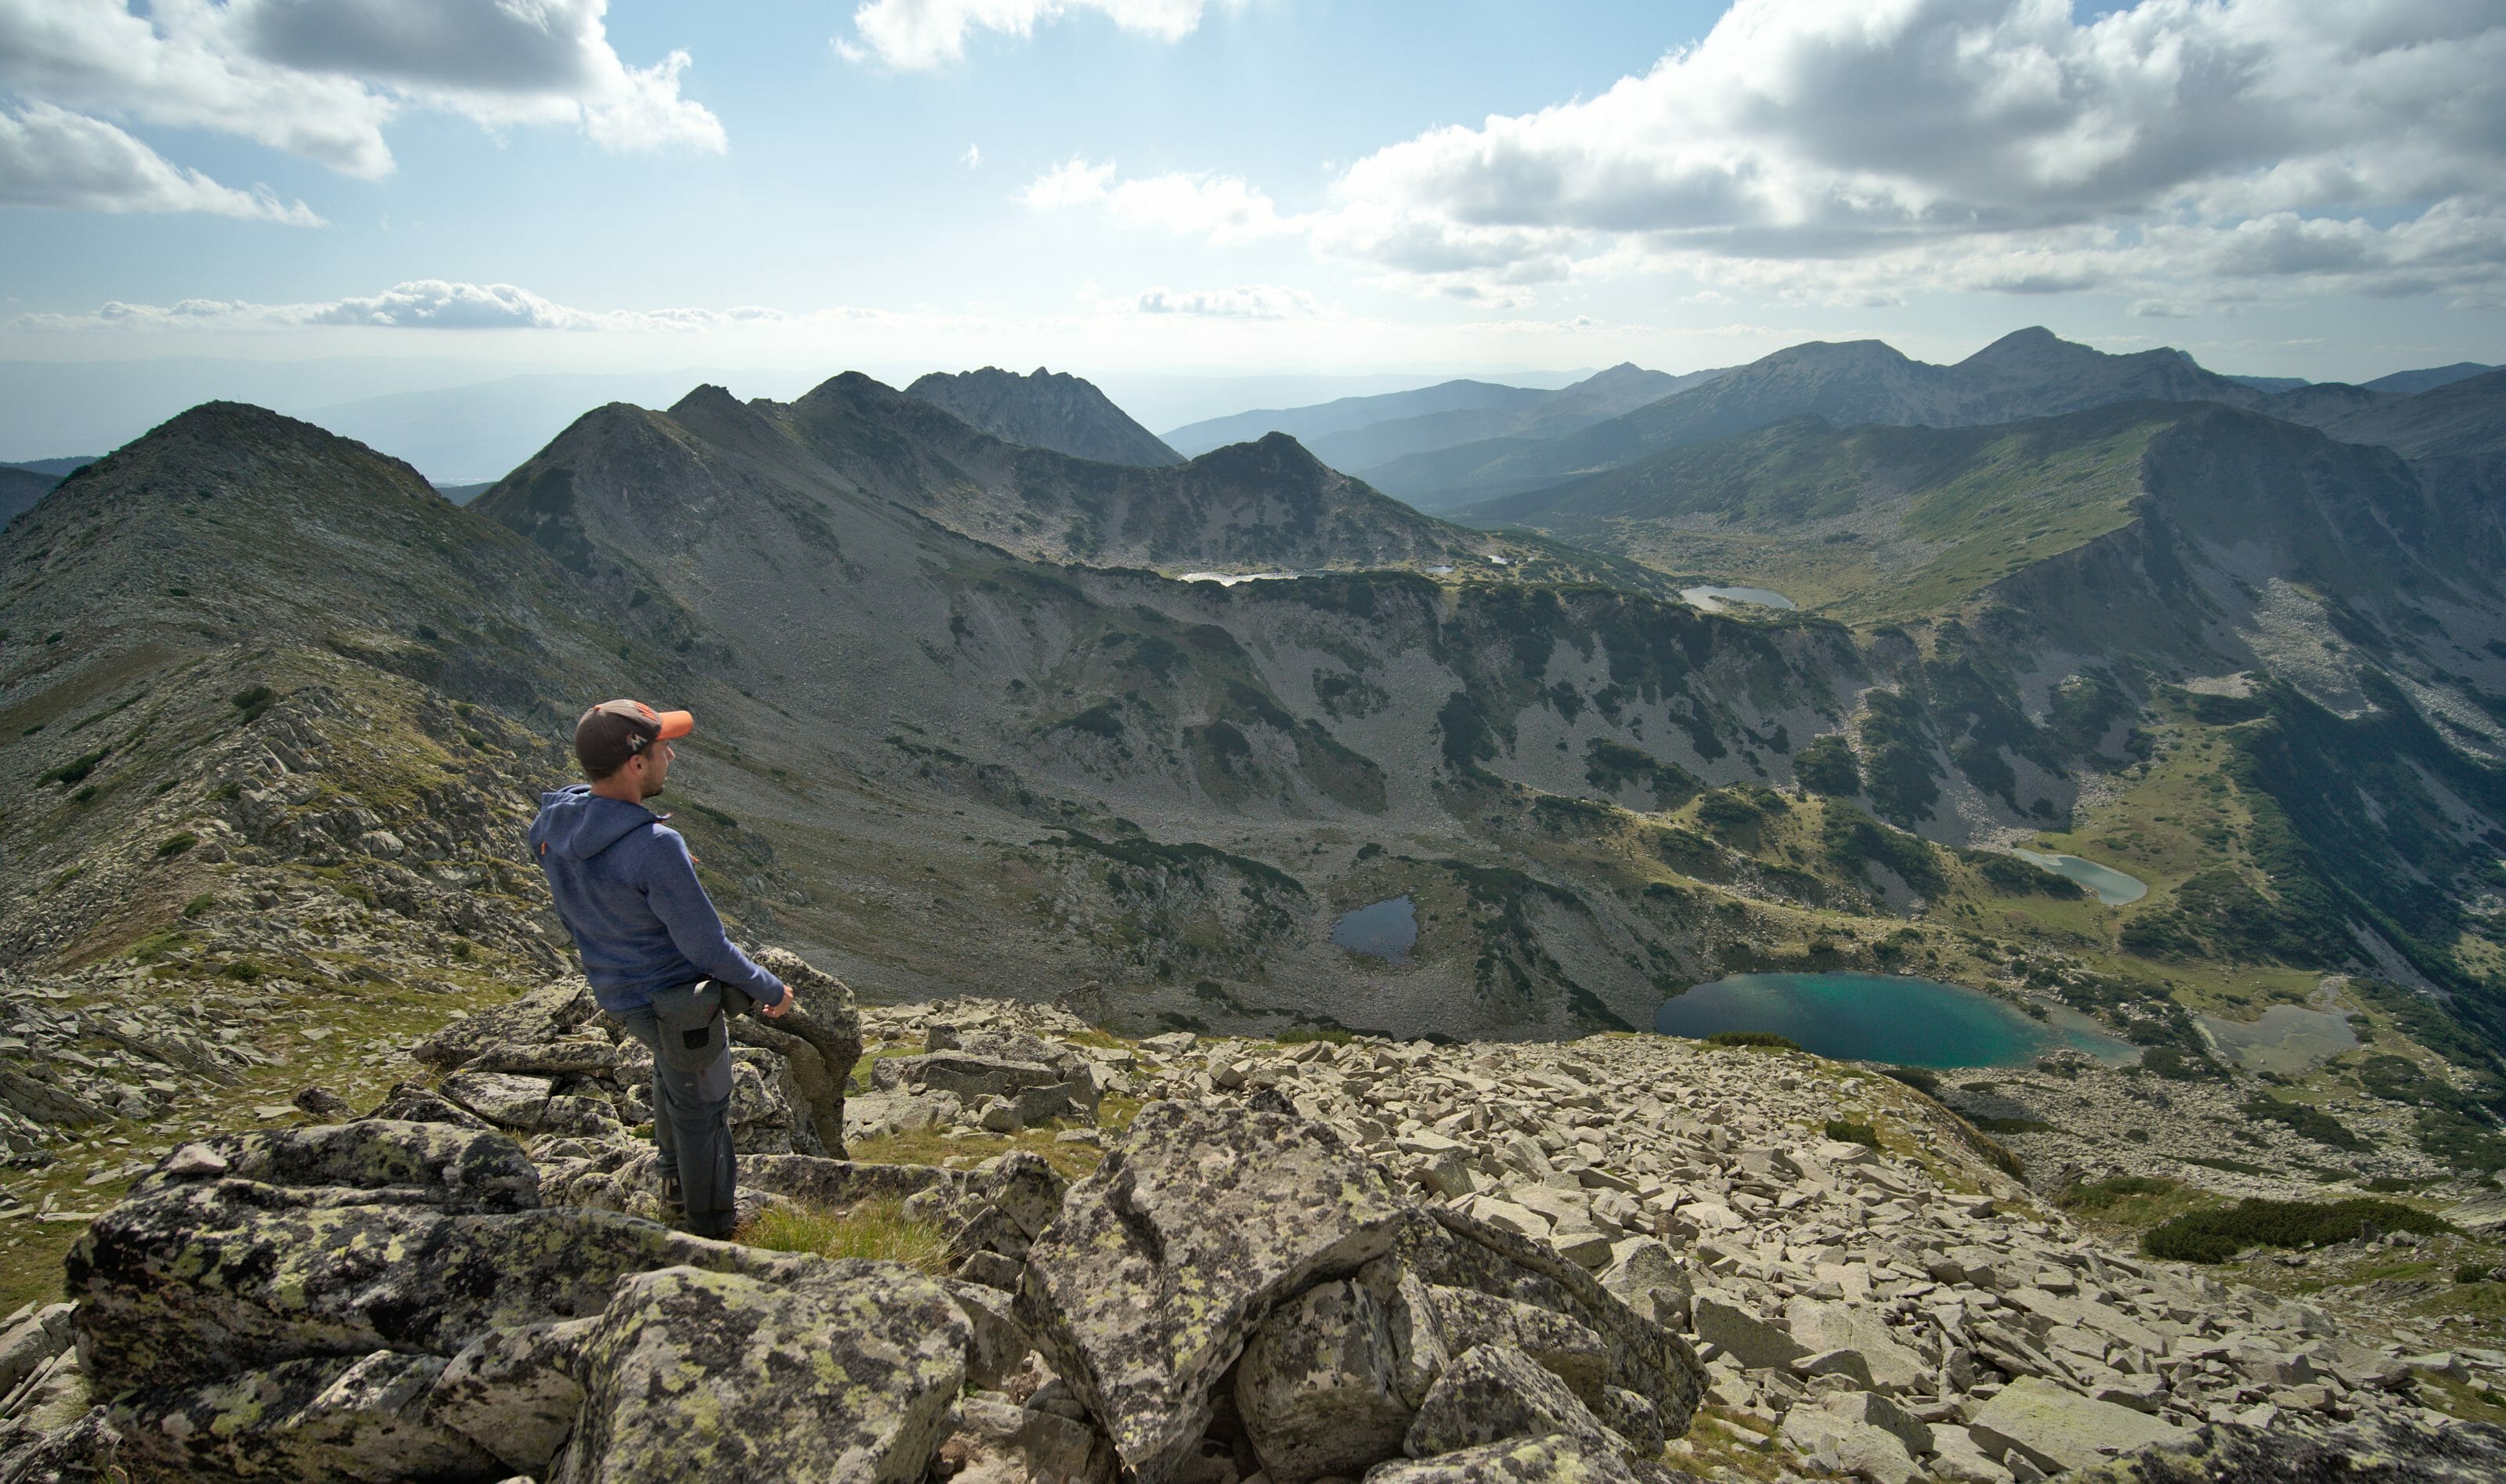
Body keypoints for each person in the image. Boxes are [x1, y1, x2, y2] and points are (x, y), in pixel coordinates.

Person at [528, 699, 793, 1238]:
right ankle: (712, 1228)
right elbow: (709, 949)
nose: (671, 754)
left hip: (616, 991)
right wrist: (770, 988)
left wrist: (650, 861)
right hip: (675, 999)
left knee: (673, 1075)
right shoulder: (653, 847)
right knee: (704, 1105)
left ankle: (674, 1188)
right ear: (635, 764)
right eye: (662, 747)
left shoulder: (555, 822)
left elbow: (594, 857)